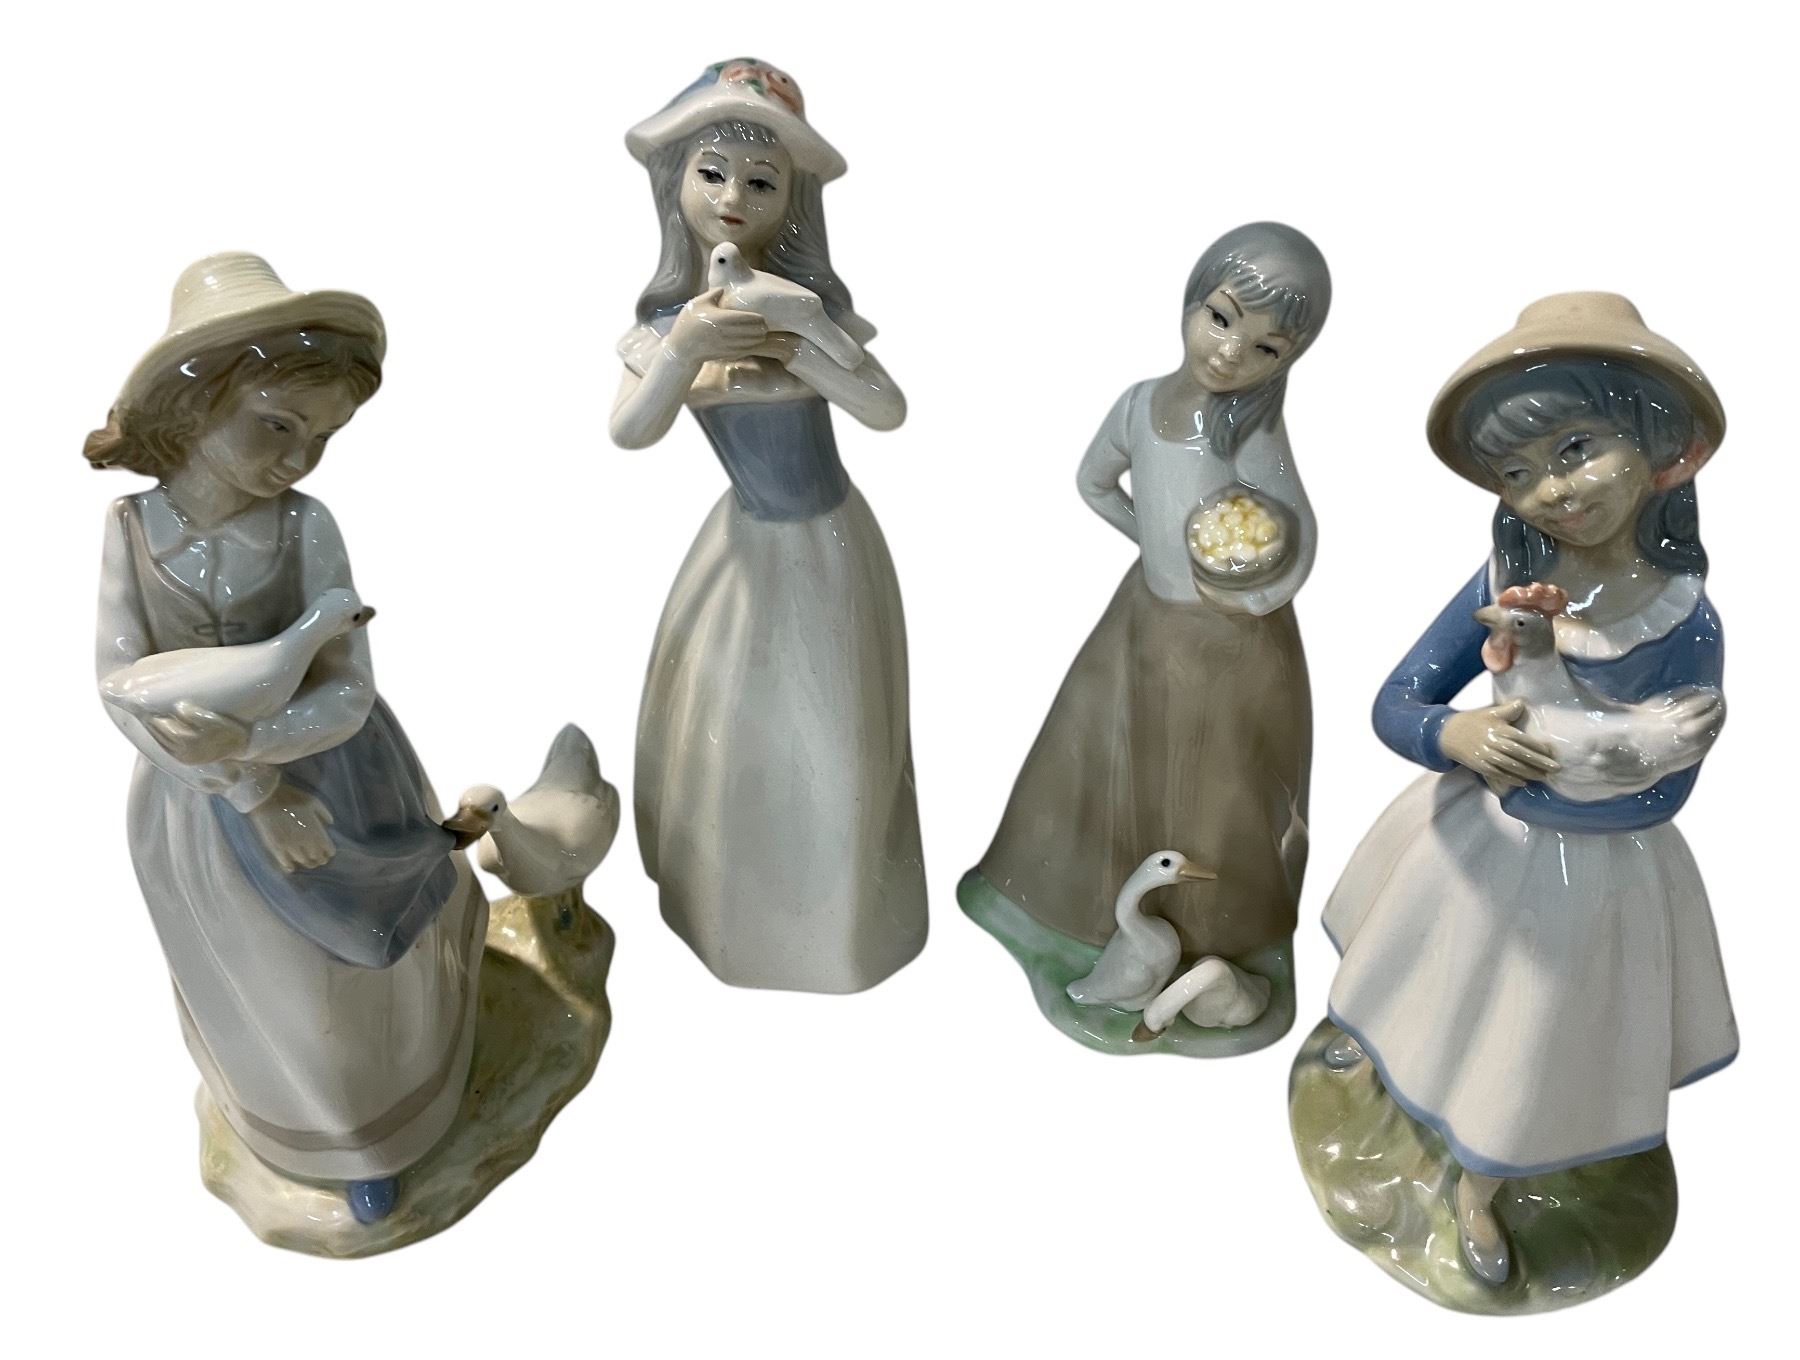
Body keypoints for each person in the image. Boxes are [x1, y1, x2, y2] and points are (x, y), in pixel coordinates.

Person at [90, 254, 485, 1223]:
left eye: (321, 437)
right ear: (196, 408)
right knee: (266, 984)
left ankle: (390, 1128)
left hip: (340, 780)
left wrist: (259, 743)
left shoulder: (307, 526)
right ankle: (307, 1131)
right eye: (276, 424)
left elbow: (348, 686)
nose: (299, 458)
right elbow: (118, 684)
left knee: (351, 979)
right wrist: (250, 788)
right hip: (198, 807)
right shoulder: (132, 529)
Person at [612, 60, 927, 992]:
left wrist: (806, 337)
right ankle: (736, 915)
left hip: (825, 546)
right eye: (711, 173)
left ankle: (837, 931)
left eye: (761, 182)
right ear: (675, 184)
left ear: (792, 202)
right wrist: (685, 349)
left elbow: (886, 411)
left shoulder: (807, 310)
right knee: (731, 738)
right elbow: (630, 430)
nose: (733, 199)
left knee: (835, 742)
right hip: (743, 551)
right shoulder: (665, 326)